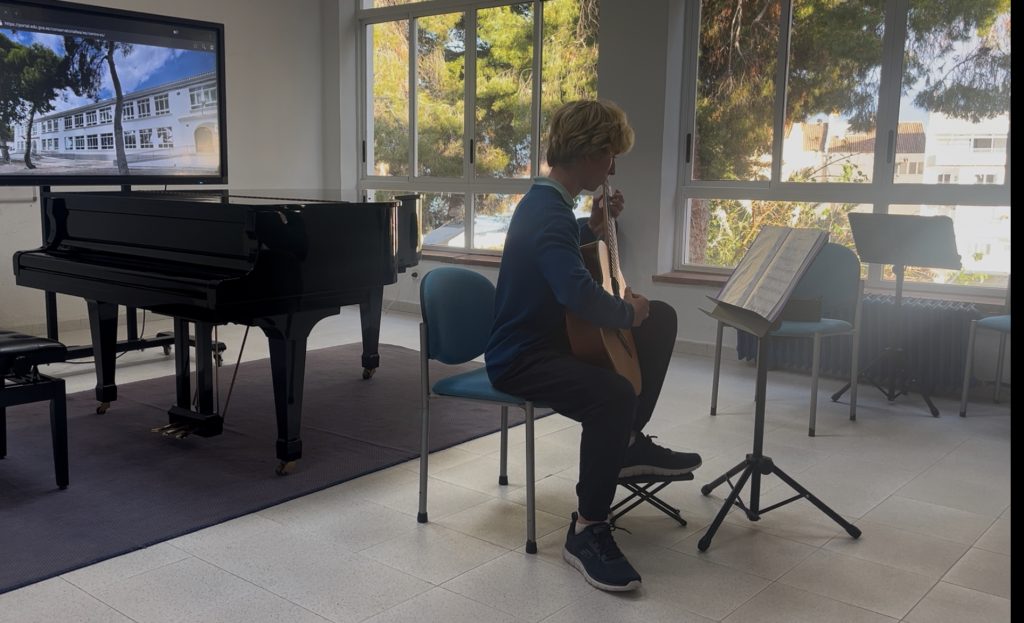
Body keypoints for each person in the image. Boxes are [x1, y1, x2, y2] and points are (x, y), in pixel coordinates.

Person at [485, 99, 701, 592]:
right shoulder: (547, 213)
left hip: (550, 341)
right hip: (520, 357)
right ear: (588, 153)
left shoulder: (550, 207)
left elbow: (561, 257)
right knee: (612, 394)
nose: (613, 167)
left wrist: (594, 227)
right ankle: (586, 531)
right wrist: (627, 312)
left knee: (661, 319)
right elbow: (577, 294)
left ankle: (624, 444)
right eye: (610, 155)